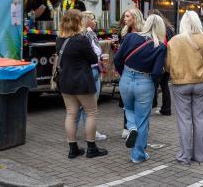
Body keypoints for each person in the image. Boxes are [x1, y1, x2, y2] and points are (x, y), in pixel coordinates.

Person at [166, 11, 203, 165]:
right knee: (200, 120)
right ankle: (200, 156)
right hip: (201, 82)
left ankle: (184, 156)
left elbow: (167, 65)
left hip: (181, 83)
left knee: (185, 121)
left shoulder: (174, 41)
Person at [114, 15, 167, 163]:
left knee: (128, 109)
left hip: (126, 78)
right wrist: (154, 86)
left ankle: (131, 127)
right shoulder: (160, 46)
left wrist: (124, 72)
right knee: (142, 120)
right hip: (145, 82)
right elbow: (157, 72)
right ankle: (137, 155)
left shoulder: (131, 37)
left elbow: (117, 59)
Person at [56, 9, 108, 159]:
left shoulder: (59, 39)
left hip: (66, 81)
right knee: (91, 112)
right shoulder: (81, 39)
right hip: (82, 81)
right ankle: (91, 148)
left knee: (71, 114)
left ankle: (73, 149)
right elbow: (92, 59)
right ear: (77, 22)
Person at [74, 11, 107, 141]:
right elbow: (93, 54)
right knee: (90, 106)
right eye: (93, 19)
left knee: (81, 106)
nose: (95, 22)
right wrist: (100, 57)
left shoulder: (82, 34)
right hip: (90, 71)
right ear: (86, 20)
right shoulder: (86, 35)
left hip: (88, 71)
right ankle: (91, 133)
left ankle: (74, 132)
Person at [118, 8, 145, 139]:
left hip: (139, 72)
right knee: (126, 102)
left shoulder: (144, 33)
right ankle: (127, 127)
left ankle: (135, 128)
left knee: (137, 103)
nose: (124, 18)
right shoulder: (124, 32)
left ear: (135, 18)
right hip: (125, 71)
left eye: (127, 16)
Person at [148, 9, 175, 115]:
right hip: (168, 60)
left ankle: (152, 105)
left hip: (159, 60)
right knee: (164, 85)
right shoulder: (169, 28)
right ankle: (166, 108)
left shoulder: (157, 29)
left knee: (153, 84)